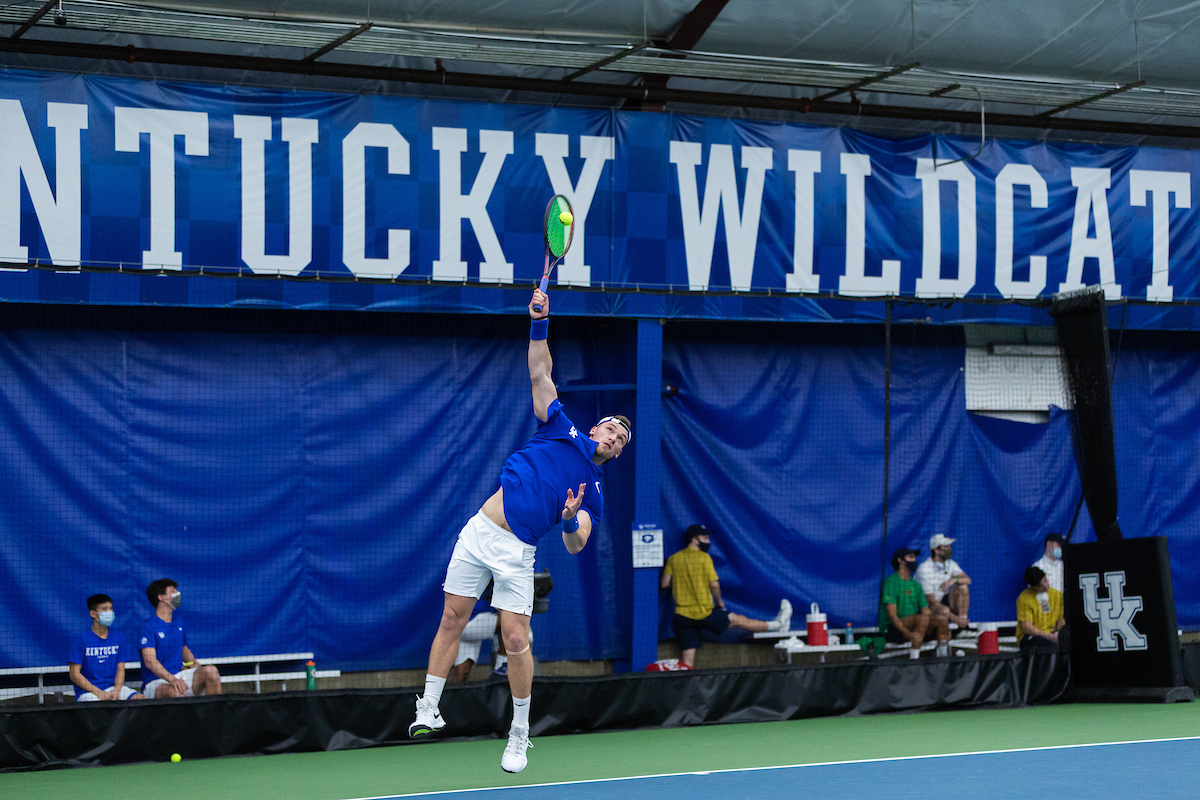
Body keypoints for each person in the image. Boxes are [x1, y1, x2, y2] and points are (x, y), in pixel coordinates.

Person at [409, 287, 630, 775]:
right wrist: (539, 321)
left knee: (514, 639)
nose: (613, 438)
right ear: (595, 430)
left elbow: (578, 543)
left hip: (517, 552)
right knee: (452, 618)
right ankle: (429, 705)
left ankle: (520, 732)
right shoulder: (560, 427)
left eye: (621, 441)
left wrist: (571, 518)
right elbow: (539, 370)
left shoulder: (592, 489)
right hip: (479, 531)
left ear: (614, 455)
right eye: (610, 429)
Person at [660, 524, 792, 668]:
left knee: (687, 662)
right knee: (739, 620)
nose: (708, 541)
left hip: (682, 617)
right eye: (704, 537)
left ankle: (682, 687)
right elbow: (714, 585)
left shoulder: (673, 559)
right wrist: (719, 602)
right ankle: (777, 625)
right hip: (704, 613)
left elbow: (664, 584)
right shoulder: (704, 558)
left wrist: (681, 582)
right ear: (694, 539)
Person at [138, 579, 222, 698]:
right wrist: (173, 680)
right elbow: (150, 662)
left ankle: (216, 715)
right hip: (156, 682)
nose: (178, 593)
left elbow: (184, 649)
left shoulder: (178, 621)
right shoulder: (148, 626)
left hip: (180, 676)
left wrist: (196, 666)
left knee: (210, 671)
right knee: (175, 692)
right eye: (173, 591)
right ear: (161, 597)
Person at [68, 594, 144, 702]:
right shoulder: (80, 639)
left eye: (111, 609)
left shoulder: (119, 637)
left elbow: (120, 669)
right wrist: (99, 693)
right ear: (93, 614)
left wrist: (117, 690)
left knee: (140, 699)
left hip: (113, 688)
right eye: (104, 609)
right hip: (89, 692)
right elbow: (74, 674)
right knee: (98, 709)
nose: (109, 612)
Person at [880, 547, 950, 658]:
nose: (914, 561)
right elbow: (892, 616)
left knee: (940, 619)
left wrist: (942, 624)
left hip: (916, 626)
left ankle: (943, 654)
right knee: (921, 618)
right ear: (900, 560)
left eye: (915, 558)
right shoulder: (891, 583)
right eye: (911, 557)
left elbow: (925, 610)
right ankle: (914, 657)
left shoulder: (916, 585)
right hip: (893, 629)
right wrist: (908, 634)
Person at [915, 534, 972, 629]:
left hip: (943, 602)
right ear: (936, 550)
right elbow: (931, 600)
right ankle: (959, 622)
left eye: (949, 546)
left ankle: (963, 625)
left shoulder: (950, 564)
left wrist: (953, 580)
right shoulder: (924, 569)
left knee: (963, 586)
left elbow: (968, 580)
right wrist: (954, 618)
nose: (949, 549)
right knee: (944, 610)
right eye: (946, 547)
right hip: (927, 606)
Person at [1016, 566, 1065, 652]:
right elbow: (1027, 628)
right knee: (1050, 648)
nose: (1046, 587)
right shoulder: (1024, 598)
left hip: (1053, 634)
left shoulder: (1057, 595)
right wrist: (1049, 636)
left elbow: (1061, 619)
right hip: (1032, 636)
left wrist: (1058, 634)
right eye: (1040, 586)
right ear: (1032, 587)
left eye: (1045, 581)